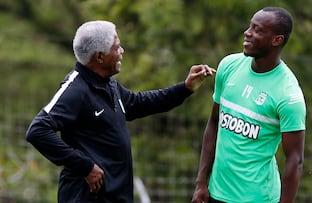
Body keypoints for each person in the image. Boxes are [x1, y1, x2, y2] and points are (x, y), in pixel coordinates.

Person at [25, 20, 216, 203]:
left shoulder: (108, 84)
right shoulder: (75, 90)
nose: (122, 51)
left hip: (116, 196)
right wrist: (85, 166)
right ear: (100, 56)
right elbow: (37, 130)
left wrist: (185, 88)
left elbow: (140, 103)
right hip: (85, 197)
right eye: (116, 47)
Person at [191, 7, 306, 203]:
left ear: (276, 40)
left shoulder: (288, 95)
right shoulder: (228, 66)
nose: (247, 32)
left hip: (258, 198)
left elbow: (295, 160)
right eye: (250, 26)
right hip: (216, 193)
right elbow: (213, 123)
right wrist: (201, 183)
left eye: (258, 30)